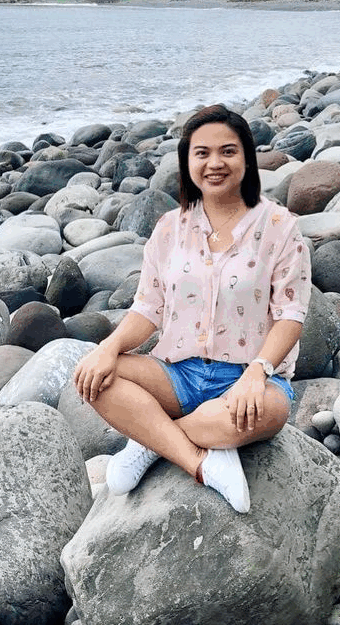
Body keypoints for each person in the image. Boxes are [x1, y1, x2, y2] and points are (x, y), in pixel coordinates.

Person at [73, 104, 311, 512]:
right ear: (187, 161)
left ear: (247, 158)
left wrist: (259, 372)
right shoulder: (170, 227)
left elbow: (291, 316)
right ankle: (198, 461)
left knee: (271, 411)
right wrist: (107, 348)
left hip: (248, 379)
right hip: (177, 374)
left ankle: (152, 439)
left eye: (228, 151)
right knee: (95, 375)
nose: (214, 163)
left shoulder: (279, 226)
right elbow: (147, 308)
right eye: (202, 153)